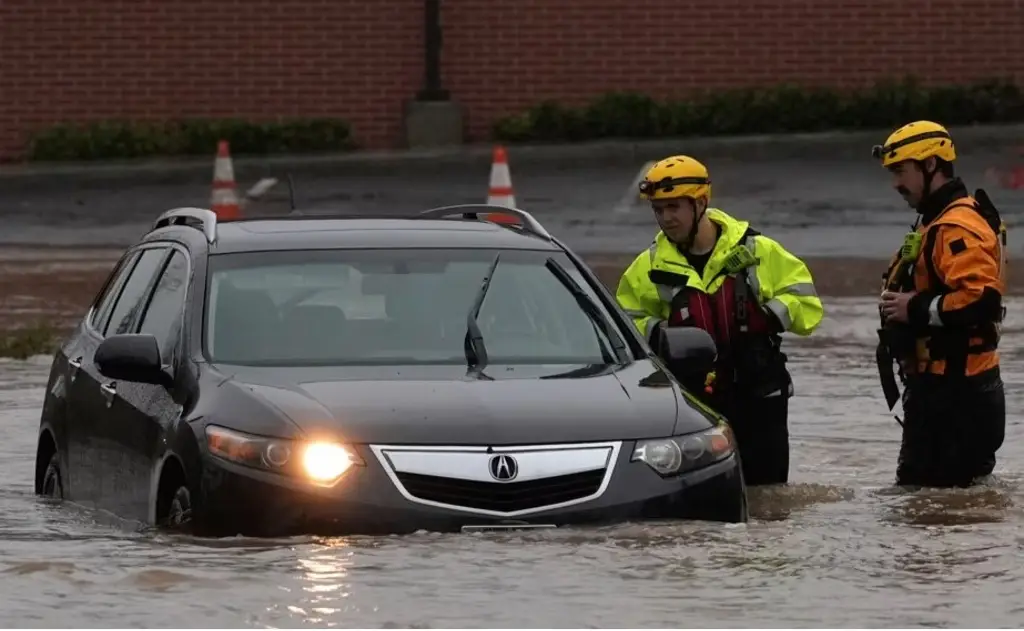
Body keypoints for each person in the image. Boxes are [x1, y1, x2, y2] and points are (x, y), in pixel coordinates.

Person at [615, 155, 824, 486]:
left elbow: (808, 305)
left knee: (767, 504)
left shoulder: (758, 250)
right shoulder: (647, 267)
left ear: (700, 203)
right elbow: (624, 326)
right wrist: (660, 335)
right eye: (658, 209)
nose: (665, 218)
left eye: (674, 208)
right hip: (695, 407)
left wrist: (768, 315)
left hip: (761, 399)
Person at [874, 120, 1008, 488]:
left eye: (901, 171)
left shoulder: (956, 226)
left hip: (957, 398)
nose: (895, 184)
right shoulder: (934, 221)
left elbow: (982, 301)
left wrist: (914, 309)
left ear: (931, 165)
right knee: (933, 515)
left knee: (937, 512)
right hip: (942, 393)